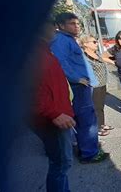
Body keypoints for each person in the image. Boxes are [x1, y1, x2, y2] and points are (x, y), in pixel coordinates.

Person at [51, 12, 109, 163]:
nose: (77, 26)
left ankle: (88, 148)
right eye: (72, 23)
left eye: (77, 24)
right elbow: (60, 62)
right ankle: (90, 154)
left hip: (83, 84)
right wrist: (76, 78)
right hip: (78, 86)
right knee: (87, 121)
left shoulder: (68, 39)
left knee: (86, 119)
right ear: (61, 25)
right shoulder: (61, 41)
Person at [33, 21, 76, 192]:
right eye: (51, 24)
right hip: (53, 118)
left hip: (57, 114)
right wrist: (53, 113)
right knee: (61, 164)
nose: (55, 29)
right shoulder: (33, 54)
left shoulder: (44, 50)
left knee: (61, 163)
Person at [79, 35, 114, 136]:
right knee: (95, 107)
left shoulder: (97, 53)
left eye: (96, 41)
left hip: (102, 83)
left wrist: (112, 62)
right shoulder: (84, 56)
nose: (97, 44)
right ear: (85, 44)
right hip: (94, 86)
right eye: (94, 42)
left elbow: (104, 60)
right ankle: (97, 127)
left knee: (100, 106)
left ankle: (101, 124)